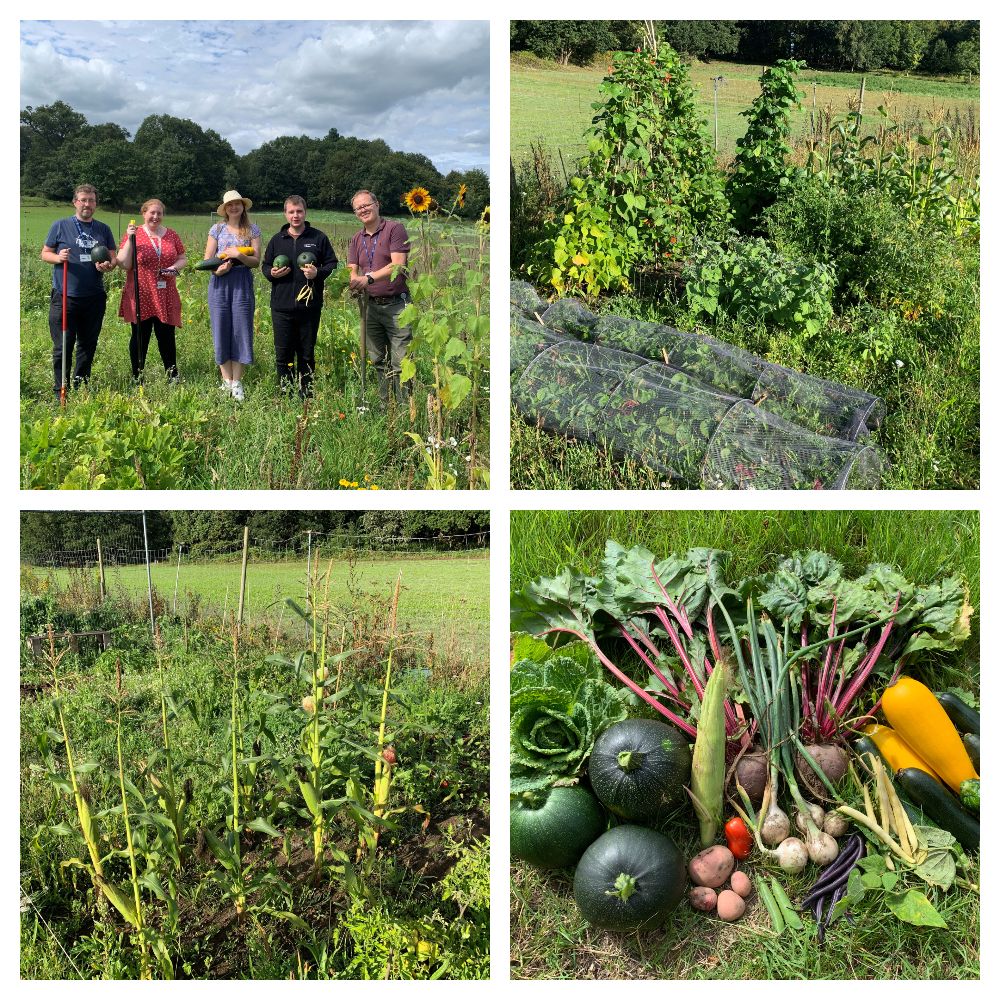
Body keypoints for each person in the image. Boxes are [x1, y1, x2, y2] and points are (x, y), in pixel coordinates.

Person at [40, 183, 119, 398]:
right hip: (65, 297)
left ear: (96, 204)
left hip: (93, 297)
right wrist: (58, 257)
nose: (87, 204)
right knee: (63, 346)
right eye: (83, 200)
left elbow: (113, 258)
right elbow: (45, 253)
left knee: (87, 344)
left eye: (91, 200)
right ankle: (60, 390)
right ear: (75, 202)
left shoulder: (103, 229)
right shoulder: (60, 225)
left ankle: (80, 385)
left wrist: (108, 265)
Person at [262, 195, 338, 397]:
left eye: (299, 211)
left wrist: (317, 273)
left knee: (306, 353)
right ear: (285, 214)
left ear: (305, 212)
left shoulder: (318, 238)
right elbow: (266, 265)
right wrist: (271, 273)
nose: (295, 215)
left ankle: (306, 394)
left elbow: (332, 264)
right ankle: (285, 393)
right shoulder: (277, 240)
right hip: (281, 307)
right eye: (291, 212)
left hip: (309, 307)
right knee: (283, 353)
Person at [347, 190, 412, 404]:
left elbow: (398, 265)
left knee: (401, 362)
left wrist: (368, 279)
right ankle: (386, 405)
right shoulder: (357, 238)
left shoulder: (395, 229)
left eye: (367, 205)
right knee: (378, 360)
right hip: (370, 307)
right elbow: (352, 268)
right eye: (358, 208)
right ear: (355, 213)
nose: (363, 210)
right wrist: (354, 281)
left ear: (377, 204)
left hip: (397, 306)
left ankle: (404, 410)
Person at [116, 198, 187, 382]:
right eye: (151, 213)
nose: (155, 217)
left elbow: (182, 258)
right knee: (140, 337)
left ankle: (172, 375)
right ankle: (137, 376)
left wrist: (174, 269)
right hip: (142, 293)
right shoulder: (134, 234)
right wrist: (130, 239)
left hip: (165, 292)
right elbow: (123, 263)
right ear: (144, 213)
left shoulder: (171, 235)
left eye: (159, 213)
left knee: (167, 336)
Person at [204, 190, 261, 401]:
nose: (234, 207)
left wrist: (239, 256)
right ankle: (226, 380)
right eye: (230, 205)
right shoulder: (216, 228)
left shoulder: (252, 230)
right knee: (221, 328)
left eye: (237, 204)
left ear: (243, 206)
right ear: (225, 209)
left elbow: (256, 261)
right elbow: (207, 259)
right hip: (219, 283)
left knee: (241, 330)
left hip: (241, 283)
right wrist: (217, 270)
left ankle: (237, 381)